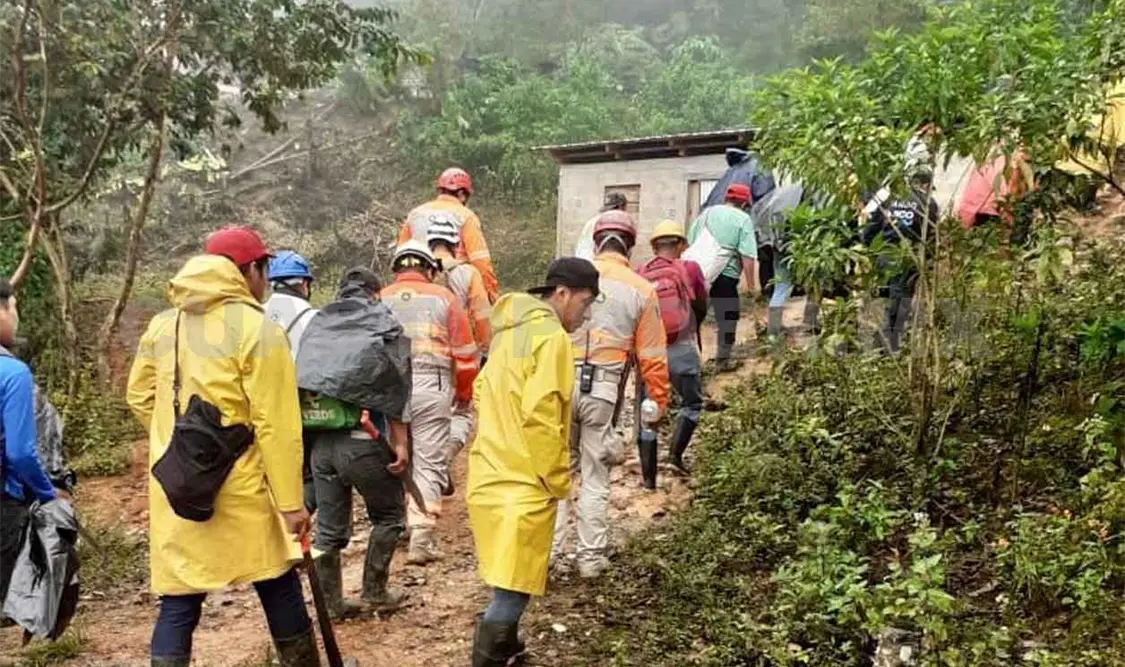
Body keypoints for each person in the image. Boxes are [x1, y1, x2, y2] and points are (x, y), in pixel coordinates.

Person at [126, 227, 316, 667]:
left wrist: (179, 445)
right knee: (276, 581)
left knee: (180, 598)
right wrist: (291, 503)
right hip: (242, 487)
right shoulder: (257, 329)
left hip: (179, 487)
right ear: (250, 271)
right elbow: (276, 425)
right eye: (263, 270)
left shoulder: (163, 325)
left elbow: (139, 396)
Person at [467, 258, 599, 667]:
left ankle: (508, 649)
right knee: (513, 591)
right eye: (585, 303)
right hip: (523, 482)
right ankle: (488, 657)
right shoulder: (552, 338)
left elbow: (481, 392)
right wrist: (558, 479)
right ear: (562, 294)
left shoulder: (510, 332)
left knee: (506, 577)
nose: (585, 314)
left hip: (490, 473)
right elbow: (541, 415)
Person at [553, 210, 670, 579]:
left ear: (596, 241)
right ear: (630, 246)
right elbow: (652, 355)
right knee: (595, 473)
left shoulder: (570, 281)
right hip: (604, 388)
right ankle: (590, 559)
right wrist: (659, 402)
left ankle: (547, 556)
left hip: (557, 383)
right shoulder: (641, 289)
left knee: (556, 471)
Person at [305, 268, 410, 618]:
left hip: (320, 444)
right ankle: (375, 592)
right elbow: (395, 385)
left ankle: (331, 605)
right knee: (390, 515)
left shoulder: (319, 324)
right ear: (375, 294)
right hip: (363, 440)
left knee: (328, 532)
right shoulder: (381, 322)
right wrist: (400, 444)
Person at [381, 241, 479, 565]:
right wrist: (463, 393)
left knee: (398, 456)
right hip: (431, 384)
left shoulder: (379, 298)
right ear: (430, 268)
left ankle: (398, 523)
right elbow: (465, 355)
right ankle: (421, 536)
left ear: (397, 268)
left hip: (390, 387)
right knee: (429, 458)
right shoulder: (444, 298)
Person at [0, 279, 58, 607]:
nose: (16, 317)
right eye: (14, 308)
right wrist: (48, 494)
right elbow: (20, 453)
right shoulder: (11, 372)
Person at [426, 216, 492, 482]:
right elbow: (482, 316)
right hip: (459, 355)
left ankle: (427, 467)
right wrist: (485, 351)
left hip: (422, 355)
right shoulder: (468, 274)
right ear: (457, 244)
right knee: (461, 412)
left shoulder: (420, 271)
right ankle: (445, 458)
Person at [640, 221, 707, 474]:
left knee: (649, 407)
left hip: (650, 351)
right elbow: (700, 303)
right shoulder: (689, 268)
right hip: (681, 345)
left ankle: (648, 476)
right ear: (680, 244)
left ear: (654, 246)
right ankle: (675, 457)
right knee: (691, 404)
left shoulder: (640, 272)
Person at [861, 170, 941, 353]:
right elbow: (931, 235)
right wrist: (927, 261)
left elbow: (870, 229)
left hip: (885, 253)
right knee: (900, 300)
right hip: (908, 256)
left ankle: (885, 342)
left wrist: (872, 252)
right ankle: (890, 346)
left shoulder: (886, 198)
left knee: (892, 296)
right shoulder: (928, 203)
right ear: (926, 184)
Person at [264, 250, 319, 512]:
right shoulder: (313, 317)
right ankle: (297, 519)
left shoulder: (255, 313)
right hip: (301, 403)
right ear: (304, 283)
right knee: (309, 474)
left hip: (262, 405)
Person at [687, 183, 759, 372]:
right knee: (727, 318)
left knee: (694, 319)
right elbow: (747, 256)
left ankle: (692, 363)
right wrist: (751, 285)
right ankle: (722, 361)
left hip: (698, 275)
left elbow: (690, 242)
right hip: (726, 276)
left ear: (726, 198)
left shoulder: (706, 213)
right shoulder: (743, 219)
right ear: (744, 203)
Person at [399, 167, 500, 303]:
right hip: (454, 286)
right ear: (461, 193)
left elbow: (401, 255)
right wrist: (493, 296)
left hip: (417, 287)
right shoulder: (466, 216)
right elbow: (480, 261)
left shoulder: (415, 214)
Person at [574, 192, 628, 262]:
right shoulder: (611, 223)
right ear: (621, 206)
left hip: (582, 261)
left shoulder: (592, 221)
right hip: (597, 263)